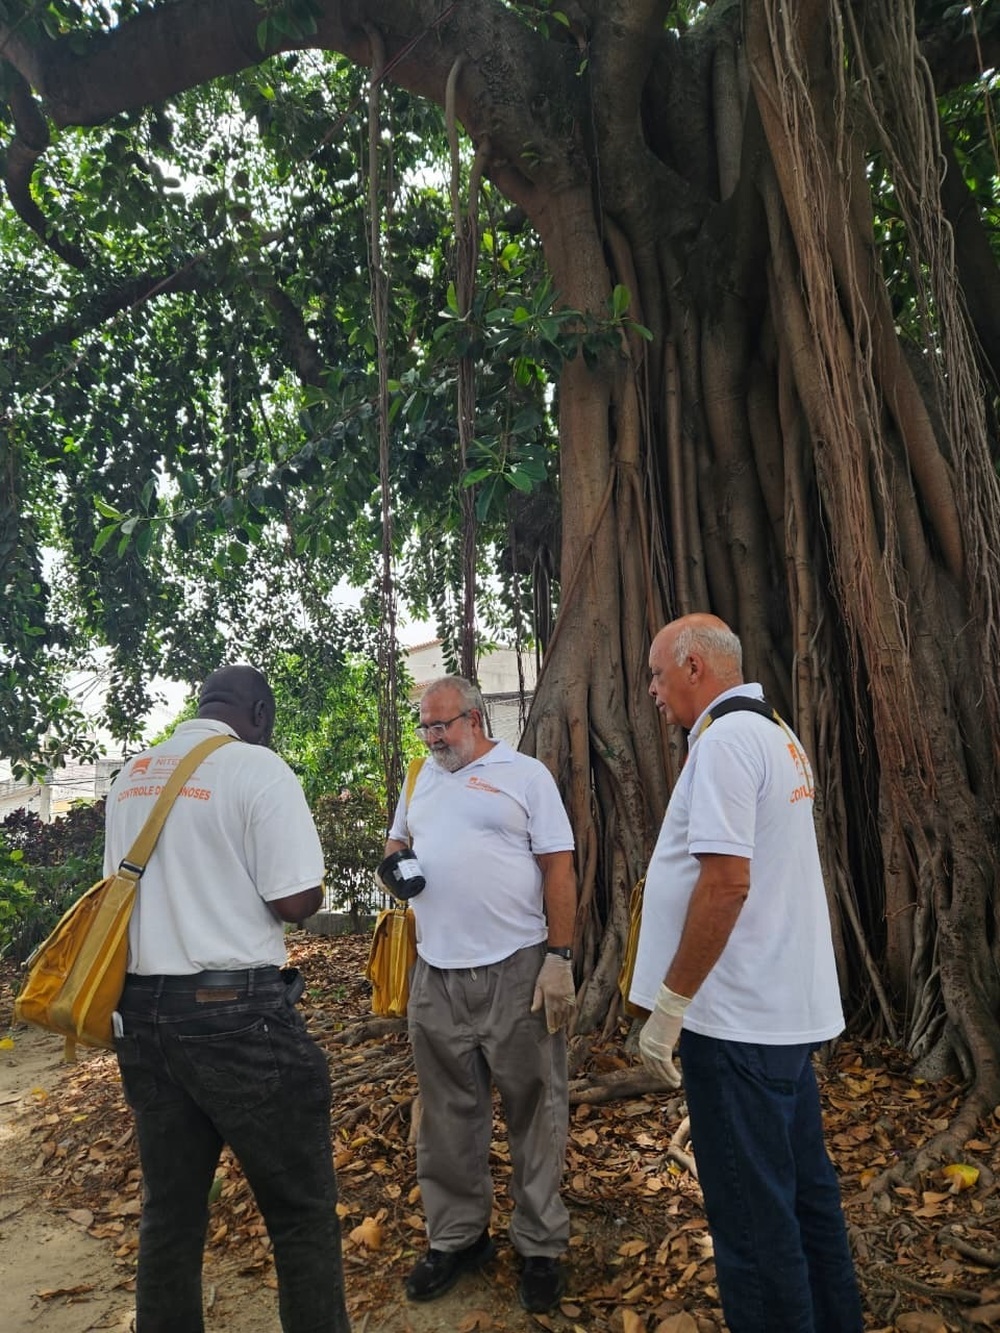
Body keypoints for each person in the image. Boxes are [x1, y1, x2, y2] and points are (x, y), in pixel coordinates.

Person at [629, 614, 863, 1333]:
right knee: (804, 1197)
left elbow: (727, 884)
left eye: (656, 674)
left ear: (694, 665)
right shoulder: (776, 734)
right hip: (777, 1016)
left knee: (753, 1224)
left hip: (736, 1025)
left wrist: (669, 1007)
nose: (651, 692)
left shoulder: (728, 742)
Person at [104, 664, 352, 1333]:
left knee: (170, 1213)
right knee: (300, 1210)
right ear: (262, 713)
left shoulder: (132, 775)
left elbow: (116, 897)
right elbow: (296, 901)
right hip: (236, 1018)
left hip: (143, 1017)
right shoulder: (256, 769)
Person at [383, 675, 577, 1314]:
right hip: (436, 972)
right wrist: (396, 864)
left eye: (444, 724)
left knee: (535, 1108)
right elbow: (398, 842)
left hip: (517, 970)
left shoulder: (526, 775)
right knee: (445, 1115)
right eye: (426, 726)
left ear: (475, 717)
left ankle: (541, 1245)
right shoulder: (420, 779)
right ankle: (458, 1238)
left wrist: (559, 958)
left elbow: (558, 865)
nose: (434, 737)